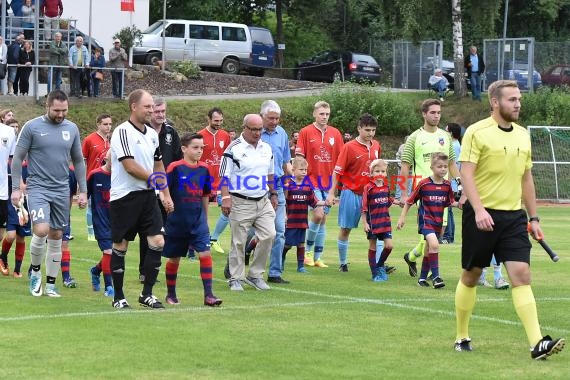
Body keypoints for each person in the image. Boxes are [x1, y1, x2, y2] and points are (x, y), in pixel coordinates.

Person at [454, 80, 565, 358]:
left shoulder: (523, 135)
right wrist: (478, 210)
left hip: (514, 217)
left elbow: (526, 178)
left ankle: (537, 343)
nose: (517, 104)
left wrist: (534, 216)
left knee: (521, 275)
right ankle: (461, 335)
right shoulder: (477, 133)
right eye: (512, 99)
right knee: (472, 275)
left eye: (519, 99)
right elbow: (466, 173)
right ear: (495, 102)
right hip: (482, 214)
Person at [10, 90, 88, 298]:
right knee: (42, 230)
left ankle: (51, 283)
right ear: (47, 106)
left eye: (64, 110)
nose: (61, 114)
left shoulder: (71, 129)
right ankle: (35, 271)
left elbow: (78, 160)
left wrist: (83, 191)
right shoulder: (32, 127)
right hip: (38, 188)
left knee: (57, 235)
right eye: (57, 110)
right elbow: (17, 158)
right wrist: (16, 188)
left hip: (62, 189)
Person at [109, 89, 173, 309]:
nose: (152, 110)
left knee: (158, 242)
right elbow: (129, 166)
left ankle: (147, 294)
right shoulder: (122, 132)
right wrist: (154, 179)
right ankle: (118, 296)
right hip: (125, 197)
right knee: (121, 245)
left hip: (148, 196)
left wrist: (165, 193)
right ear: (133, 107)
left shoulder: (153, 134)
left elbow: (158, 165)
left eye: (153, 106)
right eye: (147, 106)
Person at [400, 99, 460, 278]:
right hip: (424, 194)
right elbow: (405, 166)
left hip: (442, 194)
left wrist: (460, 182)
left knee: (434, 237)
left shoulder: (445, 136)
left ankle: (412, 258)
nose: (436, 116)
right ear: (424, 114)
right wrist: (404, 193)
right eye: (432, 112)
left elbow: (451, 163)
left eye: (439, 113)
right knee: (430, 236)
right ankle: (431, 275)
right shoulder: (414, 138)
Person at [162, 132, 222, 307]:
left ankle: (209, 295)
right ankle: (170, 294)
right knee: (174, 259)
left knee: (205, 255)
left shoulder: (204, 169)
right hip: (177, 222)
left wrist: (204, 218)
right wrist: (167, 203)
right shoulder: (174, 168)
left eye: (201, 148)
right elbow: (164, 190)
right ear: (184, 148)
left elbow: (204, 195)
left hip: (198, 222)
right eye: (195, 147)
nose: (200, 151)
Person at [219, 114, 277, 292]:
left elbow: (270, 174)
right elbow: (223, 175)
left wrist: (274, 194)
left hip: (263, 199)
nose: (257, 133)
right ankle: (236, 278)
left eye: (260, 129)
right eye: (253, 129)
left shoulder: (266, 148)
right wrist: (226, 198)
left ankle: (255, 274)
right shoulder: (233, 149)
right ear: (244, 128)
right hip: (240, 200)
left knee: (269, 235)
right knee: (239, 241)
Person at [327, 113, 380, 272]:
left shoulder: (376, 145)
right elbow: (337, 172)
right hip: (351, 192)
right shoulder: (348, 147)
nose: (370, 133)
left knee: (376, 230)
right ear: (359, 128)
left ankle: (378, 264)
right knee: (346, 228)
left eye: (373, 130)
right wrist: (331, 193)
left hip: (370, 195)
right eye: (367, 130)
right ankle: (343, 263)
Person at [397, 153, 457, 288]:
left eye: (445, 166)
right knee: (435, 245)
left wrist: (462, 204)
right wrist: (402, 218)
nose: (443, 169)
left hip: (438, 222)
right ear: (432, 167)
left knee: (429, 249)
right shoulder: (424, 184)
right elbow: (410, 201)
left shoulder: (447, 185)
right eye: (439, 166)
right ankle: (436, 277)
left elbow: (450, 203)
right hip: (426, 221)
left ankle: (422, 279)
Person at [138, 97, 181, 283]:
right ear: (150, 112)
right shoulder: (141, 133)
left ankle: (152, 269)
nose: (161, 115)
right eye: (157, 111)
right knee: (146, 231)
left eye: (163, 111)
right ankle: (144, 270)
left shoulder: (171, 132)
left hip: (167, 190)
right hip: (146, 188)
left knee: (161, 231)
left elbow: (178, 159)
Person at [295, 101, 343, 268]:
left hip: (329, 183)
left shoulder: (335, 134)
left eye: (327, 114)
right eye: (321, 114)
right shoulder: (305, 132)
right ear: (314, 114)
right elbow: (299, 157)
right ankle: (307, 252)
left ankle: (317, 257)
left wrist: (337, 184)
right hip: (311, 180)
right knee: (318, 214)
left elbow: (341, 159)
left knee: (323, 219)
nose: (324, 117)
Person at [260, 100, 291, 284]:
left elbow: (286, 161)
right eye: (271, 118)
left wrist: (289, 181)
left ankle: (274, 272)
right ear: (262, 116)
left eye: (277, 118)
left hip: (277, 186)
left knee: (279, 231)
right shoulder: (254, 133)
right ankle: (239, 257)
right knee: (251, 230)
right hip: (257, 186)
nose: (274, 121)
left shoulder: (282, 134)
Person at [282, 157, 325, 274]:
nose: (304, 172)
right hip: (290, 221)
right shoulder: (288, 185)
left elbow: (314, 202)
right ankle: (281, 259)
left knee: (301, 244)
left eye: (305, 170)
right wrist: (284, 215)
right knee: (288, 244)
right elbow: (284, 202)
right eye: (301, 169)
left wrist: (326, 202)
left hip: (302, 221)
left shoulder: (308, 186)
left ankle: (300, 266)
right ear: (293, 170)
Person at [198, 107, 231, 256]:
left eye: (221, 121)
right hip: (204, 181)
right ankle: (195, 245)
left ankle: (214, 238)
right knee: (199, 215)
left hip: (221, 183)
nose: (218, 123)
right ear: (209, 119)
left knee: (229, 211)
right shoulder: (200, 136)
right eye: (216, 120)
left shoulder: (225, 135)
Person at [0, 118, 30, 278]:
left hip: (18, 198)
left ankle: (17, 269)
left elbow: (19, 163)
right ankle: (3, 258)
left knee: (20, 235)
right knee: (10, 235)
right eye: (13, 126)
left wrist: (23, 184)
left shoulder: (20, 144)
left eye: (17, 127)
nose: (15, 129)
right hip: (8, 195)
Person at [361, 159, 399, 282]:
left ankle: (380, 265)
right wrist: (365, 222)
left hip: (385, 222)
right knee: (373, 247)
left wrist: (398, 202)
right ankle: (375, 274)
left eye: (383, 171)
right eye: (377, 171)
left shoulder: (386, 187)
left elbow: (387, 201)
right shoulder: (368, 188)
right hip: (372, 223)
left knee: (389, 246)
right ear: (371, 173)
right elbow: (364, 207)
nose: (380, 174)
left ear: (386, 173)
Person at [88, 149, 114, 297]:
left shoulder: (121, 176)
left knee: (115, 253)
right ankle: (109, 287)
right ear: (106, 158)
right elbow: (85, 192)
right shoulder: (95, 175)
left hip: (117, 220)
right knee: (108, 251)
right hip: (100, 219)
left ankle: (96, 270)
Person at [82, 114, 112, 241]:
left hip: (107, 178)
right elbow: (82, 160)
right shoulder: (89, 140)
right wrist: (82, 180)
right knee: (91, 205)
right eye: (105, 124)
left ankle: (106, 229)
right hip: (92, 177)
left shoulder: (111, 141)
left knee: (105, 205)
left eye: (110, 124)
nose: (108, 127)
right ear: (98, 124)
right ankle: (90, 232)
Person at [441, 122, 462, 244]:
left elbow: (451, 166)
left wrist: (448, 181)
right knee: (449, 209)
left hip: (451, 182)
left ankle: (447, 236)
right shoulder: (456, 144)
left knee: (447, 209)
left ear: (451, 133)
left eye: (446, 130)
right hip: (454, 183)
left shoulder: (452, 145)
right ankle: (449, 236)